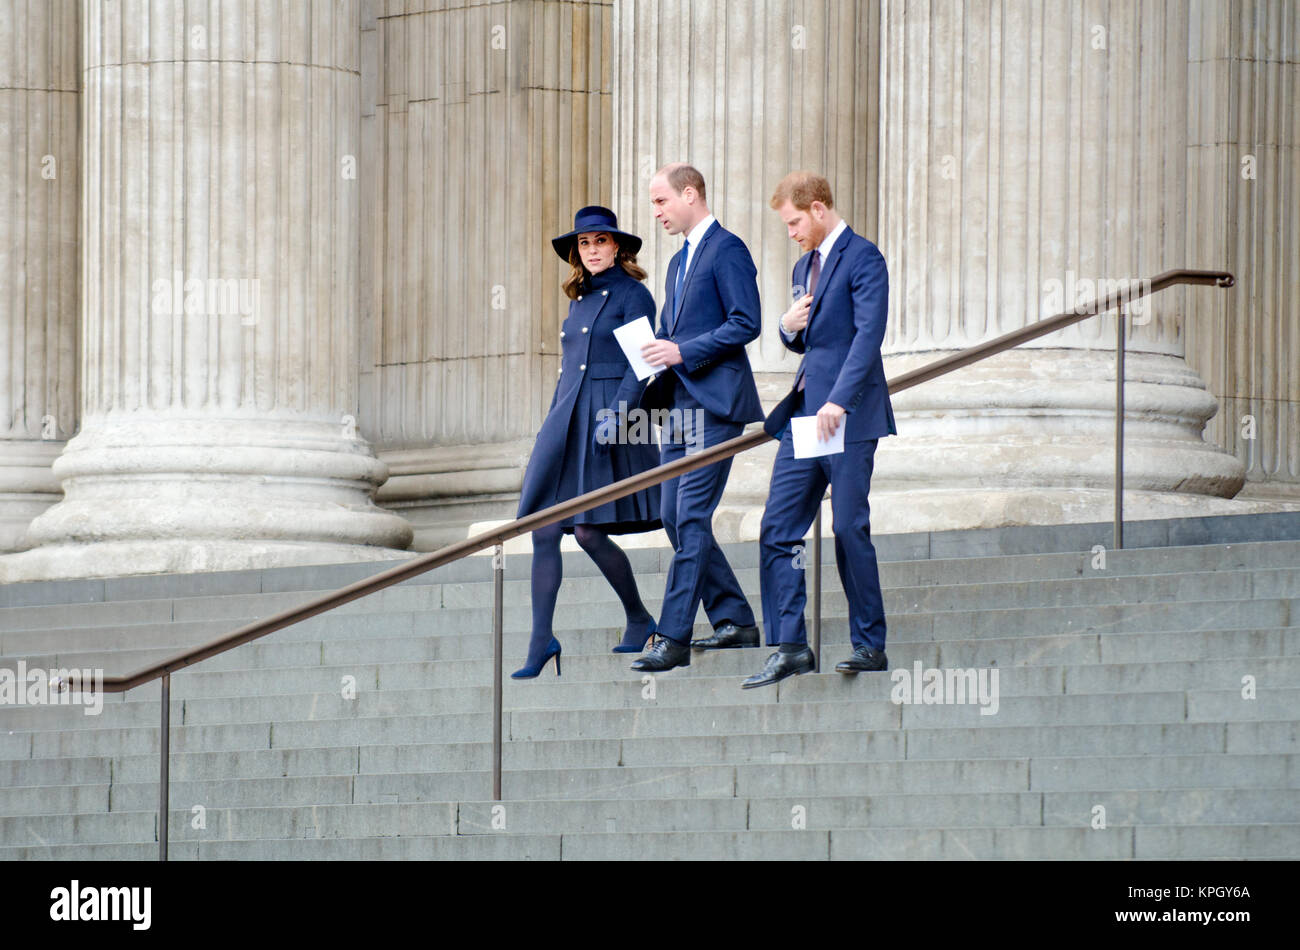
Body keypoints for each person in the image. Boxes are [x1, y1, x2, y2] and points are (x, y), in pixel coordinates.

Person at [741, 171, 897, 689]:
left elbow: (867, 336)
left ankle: (869, 645)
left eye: (793, 222)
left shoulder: (864, 257)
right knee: (778, 527)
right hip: (806, 418)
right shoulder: (803, 266)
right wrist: (787, 328)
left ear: (820, 207)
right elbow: (810, 343)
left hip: (846, 417)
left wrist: (838, 401)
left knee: (848, 527)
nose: (790, 232)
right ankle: (789, 645)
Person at [511, 206, 663, 678]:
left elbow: (643, 365)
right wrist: (550, 426)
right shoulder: (579, 298)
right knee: (543, 525)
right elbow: (569, 372)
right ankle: (541, 641)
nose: (592, 250)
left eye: (600, 241)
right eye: (584, 243)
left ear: (617, 246)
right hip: (567, 418)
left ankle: (639, 618)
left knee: (587, 529)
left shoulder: (633, 295)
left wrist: (617, 416)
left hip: (609, 415)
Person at [628, 163, 764, 673]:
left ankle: (673, 636)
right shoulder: (676, 264)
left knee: (690, 517)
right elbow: (669, 331)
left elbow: (745, 322)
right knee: (671, 516)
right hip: (680, 408)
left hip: (716, 403)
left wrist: (682, 351)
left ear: (690, 194)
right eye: (653, 204)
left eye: (661, 201)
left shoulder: (727, 249)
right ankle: (735, 619)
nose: (656, 212)